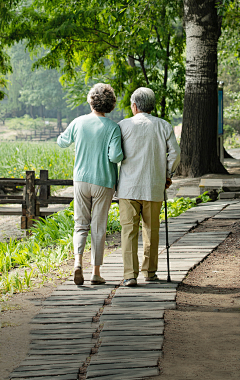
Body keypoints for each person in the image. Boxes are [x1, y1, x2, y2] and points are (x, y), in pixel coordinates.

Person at [57, 83, 123, 286]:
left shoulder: (78, 122)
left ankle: (77, 263)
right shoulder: (113, 127)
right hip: (104, 181)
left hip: (81, 180)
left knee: (80, 224)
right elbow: (115, 156)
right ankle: (95, 272)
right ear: (111, 104)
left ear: (91, 100)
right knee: (98, 226)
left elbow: (61, 142)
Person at [117, 87, 180, 286]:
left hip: (128, 187)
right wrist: (167, 175)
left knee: (128, 231)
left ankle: (129, 275)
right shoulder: (163, 126)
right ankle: (150, 272)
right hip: (154, 186)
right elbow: (175, 154)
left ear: (134, 106)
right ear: (151, 106)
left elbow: (115, 154)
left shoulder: (123, 126)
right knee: (151, 230)